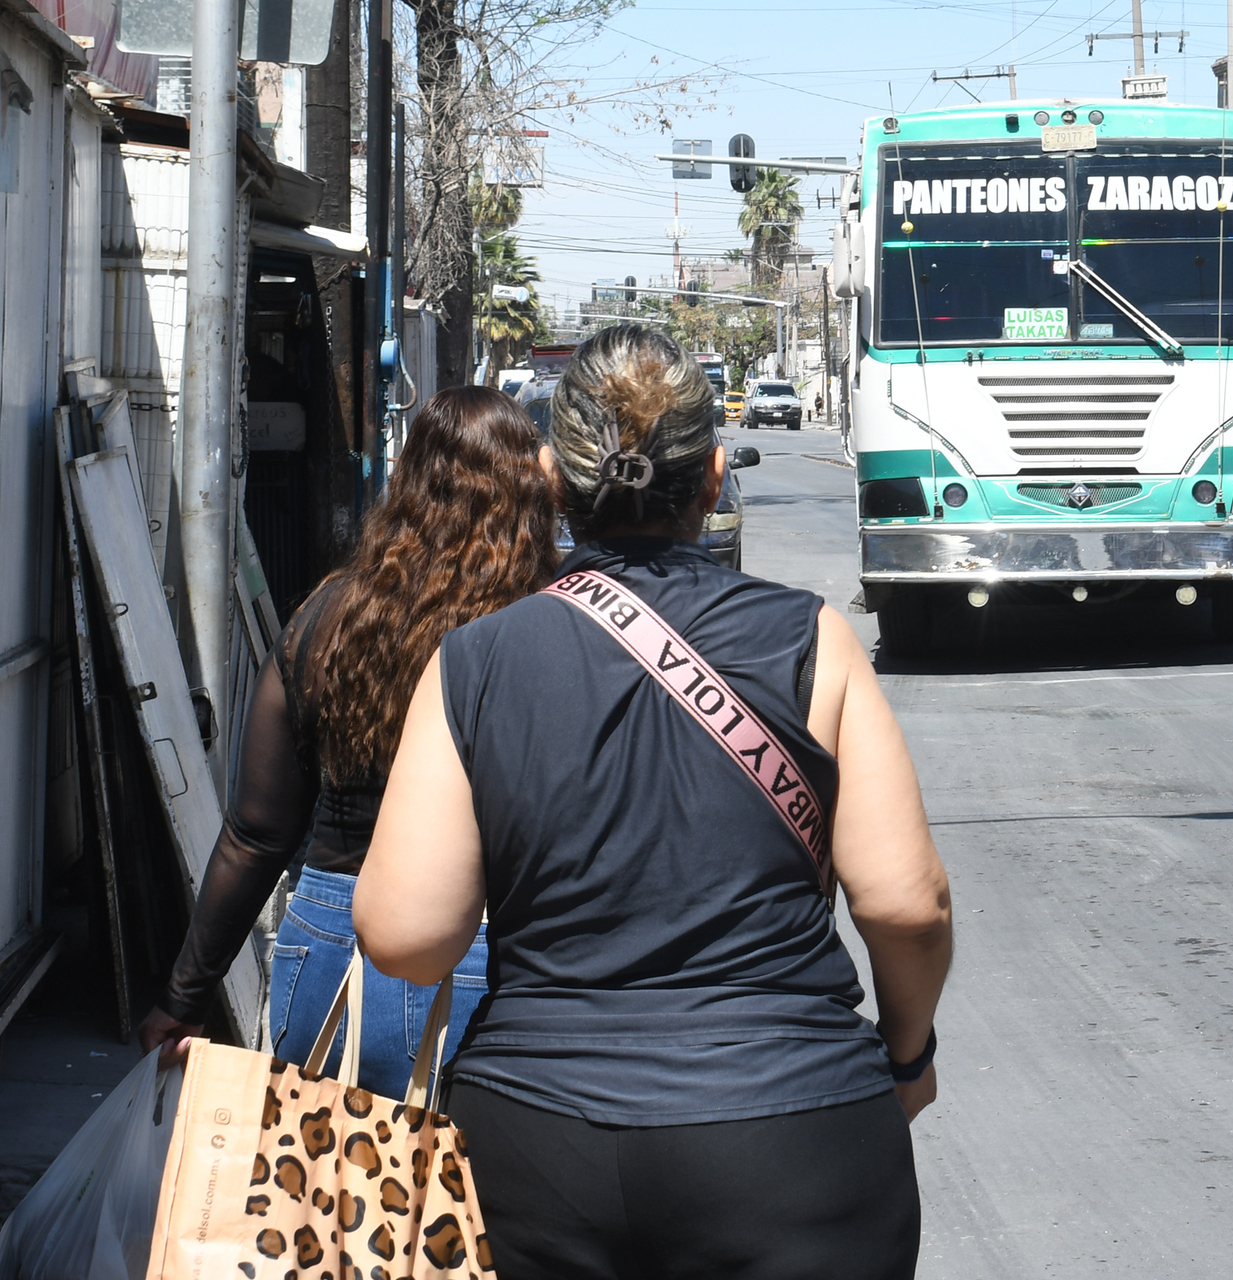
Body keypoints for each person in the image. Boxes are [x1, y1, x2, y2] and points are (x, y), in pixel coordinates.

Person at [356, 324, 953, 1278]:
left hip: (540, 1152)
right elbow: (904, 904)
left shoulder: (473, 661)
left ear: (554, 479)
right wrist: (909, 1057)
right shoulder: (812, 642)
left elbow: (404, 934)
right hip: (794, 1139)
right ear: (713, 477)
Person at [136, 388, 560, 1094]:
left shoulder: (332, 617)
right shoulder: (547, 625)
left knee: (325, 1188)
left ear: (407, 482)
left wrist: (183, 998)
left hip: (336, 945)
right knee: (461, 1202)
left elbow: (256, 834)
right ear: (529, 492)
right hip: (494, 950)